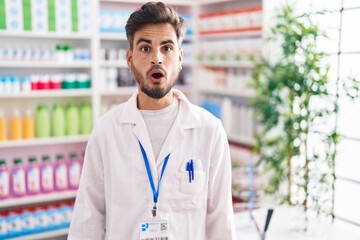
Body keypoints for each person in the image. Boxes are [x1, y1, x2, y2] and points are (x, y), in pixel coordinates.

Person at [68, 2, 236, 239]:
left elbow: (221, 222)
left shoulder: (209, 130)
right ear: (129, 58)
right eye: (145, 48)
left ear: (179, 57)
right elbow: (88, 220)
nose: (157, 58)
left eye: (166, 48)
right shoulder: (107, 131)